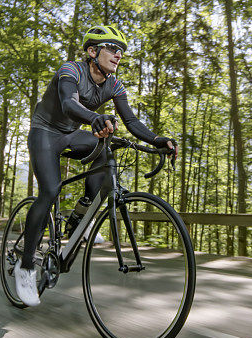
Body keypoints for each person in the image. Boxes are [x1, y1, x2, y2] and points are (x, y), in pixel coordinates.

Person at [15, 25, 177, 306]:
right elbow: (68, 103)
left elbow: (132, 122)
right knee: (50, 191)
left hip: (71, 134)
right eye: (112, 49)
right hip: (45, 133)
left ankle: (81, 215)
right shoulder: (71, 70)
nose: (118, 55)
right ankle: (26, 266)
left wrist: (157, 140)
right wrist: (95, 118)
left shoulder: (114, 84)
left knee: (106, 154)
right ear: (93, 51)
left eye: (121, 51)